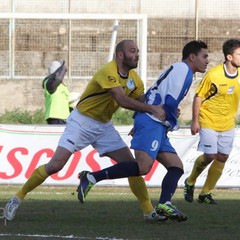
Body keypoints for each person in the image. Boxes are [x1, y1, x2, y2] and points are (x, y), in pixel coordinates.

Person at [5, 39, 166, 222]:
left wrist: (162, 106)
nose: (137, 54)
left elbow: (140, 102)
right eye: (132, 51)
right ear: (120, 55)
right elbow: (122, 100)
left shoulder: (135, 80)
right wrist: (153, 109)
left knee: (133, 167)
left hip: (104, 126)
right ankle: (16, 199)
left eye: (137, 51)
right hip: (81, 122)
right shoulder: (108, 71)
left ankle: (148, 212)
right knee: (55, 165)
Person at [77, 40, 209, 222]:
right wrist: (168, 120)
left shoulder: (183, 70)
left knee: (176, 167)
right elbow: (169, 102)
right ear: (192, 57)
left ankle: (164, 203)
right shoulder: (183, 70)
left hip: (154, 122)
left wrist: (155, 119)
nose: (207, 61)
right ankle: (91, 177)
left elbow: (159, 96)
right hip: (153, 121)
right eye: (204, 56)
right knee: (143, 167)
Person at [184, 38, 240, 204]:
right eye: (239, 53)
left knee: (222, 157)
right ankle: (190, 181)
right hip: (208, 120)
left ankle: (205, 193)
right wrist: (195, 121)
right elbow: (198, 96)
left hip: (228, 123)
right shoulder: (214, 75)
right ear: (229, 57)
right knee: (210, 156)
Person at [42, 60, 70, 124]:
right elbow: (58, 78)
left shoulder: (62, 85)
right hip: (55, 118)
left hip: (64, 118)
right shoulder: (50, 83)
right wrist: (63, 68)